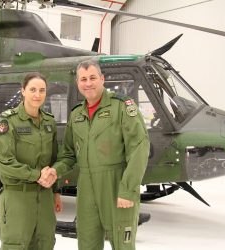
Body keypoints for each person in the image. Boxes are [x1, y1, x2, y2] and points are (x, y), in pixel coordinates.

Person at [40, 59, 150, 250]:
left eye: (92, 77)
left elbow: (139, 148)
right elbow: (68, 154)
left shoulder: (122, 106)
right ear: (77, 83)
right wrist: (55, 172)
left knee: (122, 244)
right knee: (87, 243)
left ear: (102, 79)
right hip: (86, 188)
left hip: (115, 184)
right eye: (83, 79)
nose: (88, 83)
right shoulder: (77, 114)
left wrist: (128, 189)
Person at [0, 72, 62, 250]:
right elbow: (3, 162)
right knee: (15, 245)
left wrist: (55, 191)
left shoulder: (49, 122)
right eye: (32, 89)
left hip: (45, 196)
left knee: (45, 243)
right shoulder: (9, 121)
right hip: (17, 195)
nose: (37, 95)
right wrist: (36, 175)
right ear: (23, 91)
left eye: (42, 90)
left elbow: (54, 159)